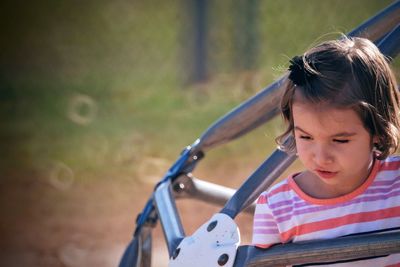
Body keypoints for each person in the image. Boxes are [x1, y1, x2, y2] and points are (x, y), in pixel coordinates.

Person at [252, 36, 400, 266]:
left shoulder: (396, 184)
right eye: (305, 137)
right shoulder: (277, 208)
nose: (321, 157)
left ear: (378, 131)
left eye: (340, 140)